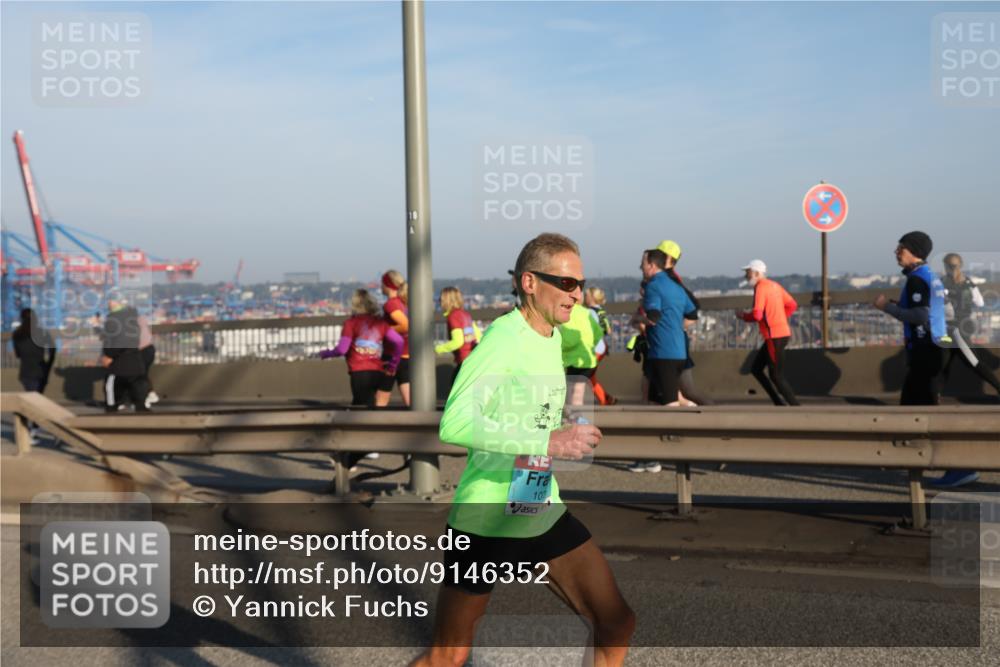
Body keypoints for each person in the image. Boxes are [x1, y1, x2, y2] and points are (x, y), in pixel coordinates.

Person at [412, 233, 635, 667]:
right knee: (449, 654)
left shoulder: (551, 335)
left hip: (536, 502)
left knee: (616, 622)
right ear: (529, 282)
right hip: (488, 514)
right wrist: (546, 441)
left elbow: (523, 414)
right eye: (566, 284)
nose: (577, 295)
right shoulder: (504, 338)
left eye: (581, 284)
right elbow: (454, 422)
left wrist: (562, 427)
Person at [873, 231, 949, 408]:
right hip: (935, 345)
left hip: (924, 348)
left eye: (901, 248)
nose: (896, 252)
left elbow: (920, 316)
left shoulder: (916, 279)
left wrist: (886, 306)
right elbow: (932, 308)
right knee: (919, 406)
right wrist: (901, 305)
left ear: (914, 251)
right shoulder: (930, 275)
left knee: (912, 407)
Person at [319, 289, 403, 409]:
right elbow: (399, 342)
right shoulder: (381, 323)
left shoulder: (350, 323)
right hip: (378, 371)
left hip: (359, 372)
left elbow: (342, 349)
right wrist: (393, 365)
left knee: (360, 410)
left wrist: (326, 354)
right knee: (368, 406)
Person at [657, 240, 713, 406]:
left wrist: (675, 326)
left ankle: (715, 412)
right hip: (668, 341)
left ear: (668, 258)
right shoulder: (664, 279)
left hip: (673, 341)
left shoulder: (670, 279)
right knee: (671, 390)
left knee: (687, 390)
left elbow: (693, 306)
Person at [737, 259, 800, 406]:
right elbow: (792, 305)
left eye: (748, 273)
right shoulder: (775, 285)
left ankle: (796, 408)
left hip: (774, 336)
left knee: (777, 376)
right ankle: (778, 403)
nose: (746, 276)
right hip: (780, 334)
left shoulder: (760, 288)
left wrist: (743, 316)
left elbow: (757, 315)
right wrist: (780, 318)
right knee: (756, 369)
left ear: (757, 273)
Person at [941, 253, 1000, 395]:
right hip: (964, 326)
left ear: (945, 266)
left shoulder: (942, 283)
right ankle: (934, 395)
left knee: (970, 362)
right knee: (947, 363)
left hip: (950, 328)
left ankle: (998, 387)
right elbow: (980, 302)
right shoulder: (969, 283)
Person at [12, 308, 56, 442]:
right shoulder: (42, 332)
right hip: (40, 370)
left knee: (31, 403)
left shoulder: (17, 334)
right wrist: (47, 366)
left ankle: (31, 430)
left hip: (25, 371)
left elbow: (18, 354)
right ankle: (35, 429)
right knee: (38, 402)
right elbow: (52, 350)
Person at [101, 295, 150, 413]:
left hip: (119, 363)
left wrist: (108, 355)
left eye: (111, 300)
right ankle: (142, 411)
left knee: (111, 391)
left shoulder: (113, 319)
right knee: (139, 395)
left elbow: (113, 341)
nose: (109, 303)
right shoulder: (132, 317)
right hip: (136, 361)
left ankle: (111, 412)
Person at [560, 302, 607, 406]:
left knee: (571, 388)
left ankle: (570, 415)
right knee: (578, 389)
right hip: (587, 357)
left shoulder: (561, 312)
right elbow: (598, 333)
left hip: (570, 359)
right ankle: (576, 416)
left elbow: (565, 339)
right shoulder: (586, 313)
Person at [375, 270, 411, 407]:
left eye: (381, 283)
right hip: (407, 355)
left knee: (381, 398)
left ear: (387, 285)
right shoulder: (405, 302)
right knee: (410, 400)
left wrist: (385, 331)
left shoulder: (391, 304)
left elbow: (405, 325)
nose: (380, 287)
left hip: (392, 357)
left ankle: (375, 426)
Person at [434, 286, 481, 387]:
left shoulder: (453, 316)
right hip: (472, 360)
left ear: (446, 300)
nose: (439, 302)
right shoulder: (465, 315)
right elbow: (478, 336)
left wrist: (437, 349)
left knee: (455, 394)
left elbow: (458, 341)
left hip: (463, 361)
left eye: (441, 299)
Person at [584, 287, 617, 406]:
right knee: (590, 377)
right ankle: (605, 398)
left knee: (586, 376)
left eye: (586, 295)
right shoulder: (601, 311)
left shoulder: (590, 312)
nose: (584, 297)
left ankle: (604, 399)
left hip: (595, 349)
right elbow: (607, 330)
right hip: (602, 347)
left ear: (592, 298)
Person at [137, 312, 159, 408]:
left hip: (142, 350)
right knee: (142, 374)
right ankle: (149, 395)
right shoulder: (140, 319)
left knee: (139, 375)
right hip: (149, 349)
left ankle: (146, 397)